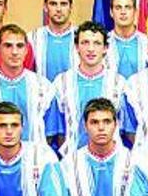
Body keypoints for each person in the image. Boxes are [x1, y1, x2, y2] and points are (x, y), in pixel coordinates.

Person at [0, 24, 59, 144]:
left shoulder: (44, 86)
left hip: (34, 160)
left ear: (26, 49)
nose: (14, 52)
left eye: (20, 46)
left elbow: (50, 132)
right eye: (8, 46)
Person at [51, 21, 127, 155]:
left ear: (105, 48)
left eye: (97, 43)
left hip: (112, 157)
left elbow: (125, 126)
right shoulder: (61, 82)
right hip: (72, 158)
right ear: (76, 46)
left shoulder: (119, 83)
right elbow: (58, 128)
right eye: (85, 42)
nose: (91, 49)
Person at [28, 0, 79, 82]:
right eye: (53, 4)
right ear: (45, 7)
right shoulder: (32, 38)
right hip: (43, 96)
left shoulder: (83, 37)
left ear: (71, 7)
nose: (59, 9)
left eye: (63, 4)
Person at [106, 0, 148, 79]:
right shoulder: (103, 42)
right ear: (111, 12)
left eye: (128, 7)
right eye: (118, 8)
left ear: (135, 12)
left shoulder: (147, 42)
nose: (123, 12)